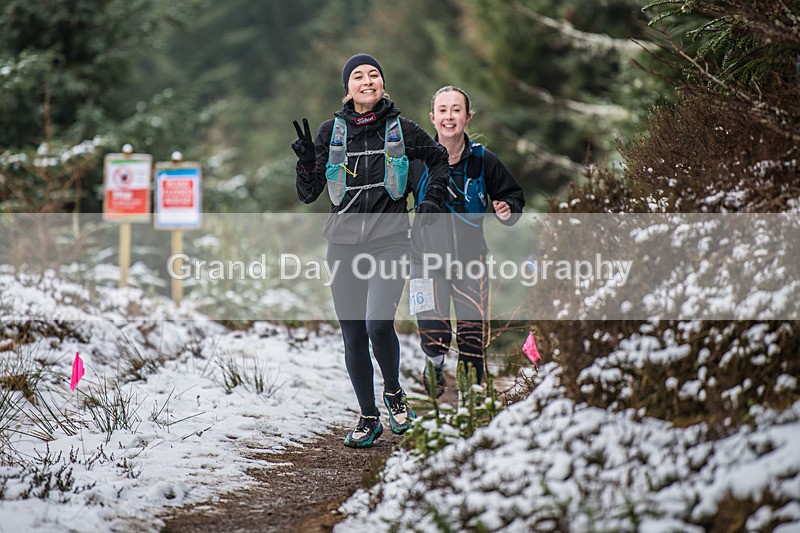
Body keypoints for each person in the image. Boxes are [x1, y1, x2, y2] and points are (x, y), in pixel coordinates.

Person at [291, 54, 449, 448]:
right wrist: (307, 163)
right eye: (358, 76)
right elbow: (308, 194)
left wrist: (431, 199)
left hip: (390, 241)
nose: (367, 81)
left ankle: (394, 394)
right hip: (342, 244)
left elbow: (439, 161)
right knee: (353, 334)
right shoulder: (331, 132)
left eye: (374, 74)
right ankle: (368, 417)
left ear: (382, 84)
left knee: (378, 324)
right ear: (347, 89)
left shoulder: (402, 129)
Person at [409, 86, 525, 397]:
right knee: (434, 333)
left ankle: (470, 402)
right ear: (432, 117)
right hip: (425, 261)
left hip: (471, 262)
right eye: (443, 110)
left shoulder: (483, 160)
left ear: (468, 116)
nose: (449, 116)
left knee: (472, 336)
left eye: (456, 109)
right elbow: (391, 195)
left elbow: (513, 197)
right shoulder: (417, 161)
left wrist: (507, 210)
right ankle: (434, 363)